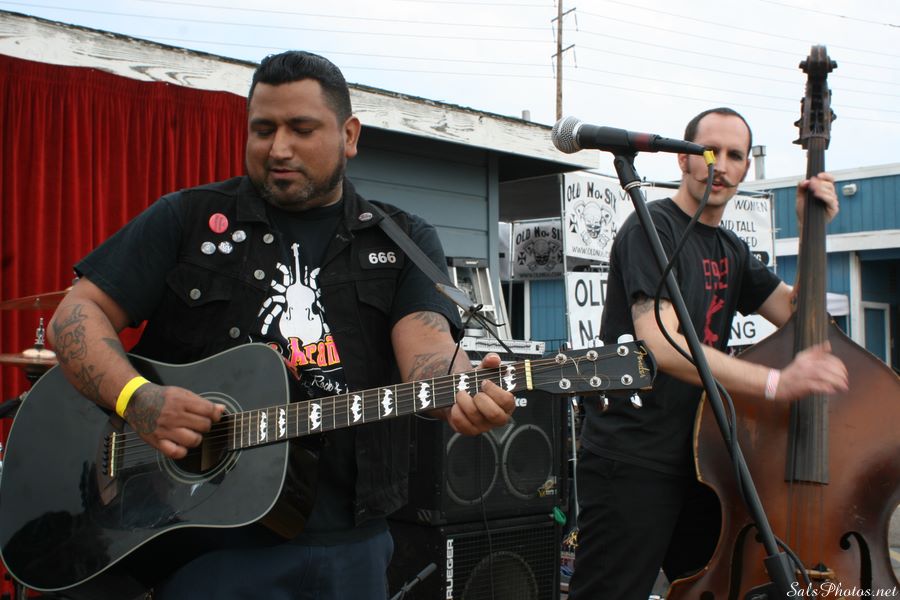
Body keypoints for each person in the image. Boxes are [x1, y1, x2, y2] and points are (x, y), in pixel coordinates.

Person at [47, 50, 515, 599]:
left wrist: (461, 388)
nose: (278, 148)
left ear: (349, 135)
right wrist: (137, 399)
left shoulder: (402, 238)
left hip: (351, 543)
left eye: (301, 128)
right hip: (201, 544)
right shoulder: (188, 219)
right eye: (263, 130)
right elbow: (75, 315)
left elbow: (428, 346)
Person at [567, 107, 849, 599]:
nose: (721, 165)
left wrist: (812, 232)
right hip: (633, 457)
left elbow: (800, 317)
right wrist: (776, 383)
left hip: (705, 463)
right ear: (683, 159)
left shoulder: (730, 249)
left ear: (746, 168)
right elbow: (662, 344)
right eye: (709, 151)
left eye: (735, 155)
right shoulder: (651, 228)